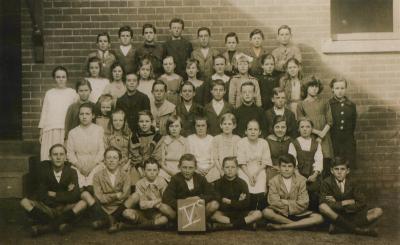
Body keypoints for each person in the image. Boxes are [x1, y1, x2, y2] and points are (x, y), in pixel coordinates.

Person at [20, 144, 87, 236]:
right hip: (48, 207)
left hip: (65, 207)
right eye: (55, 154)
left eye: (61, 154)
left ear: (65, 157)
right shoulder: (43, 171)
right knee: (24, 202)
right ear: (50, 157)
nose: (58, 157)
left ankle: (46, 227)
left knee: (83, 203)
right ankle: (60, 223)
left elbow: (75, 195)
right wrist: (64, 195)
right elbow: (42, 194)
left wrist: (55, 195)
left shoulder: (72, 172)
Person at [319, 157, 383, 236]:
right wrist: (344, 202)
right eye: (336, 169)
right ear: (332, 171)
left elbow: (362, 202)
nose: (339, 172)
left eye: (342, 169)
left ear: (347, 171)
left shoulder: (353, 182)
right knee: (323, 207)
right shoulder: (326, 182)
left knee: (378, 211)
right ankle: (357, 230)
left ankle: (340, 228)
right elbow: (324, 202)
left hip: (352, 214)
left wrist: (338, 204)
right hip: (336, 215)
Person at [262, 154, 324, 230]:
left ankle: (282, 226)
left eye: (290, 166)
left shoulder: (302, 180)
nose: (286, 169)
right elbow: (273, 201)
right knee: (266, 212)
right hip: (281, 213)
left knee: (319, 218)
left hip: (299, 213)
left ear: (294, 168)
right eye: (284, 166)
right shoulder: (273, 181)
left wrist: (287, 202)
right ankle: (299, 225)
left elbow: (304, 202)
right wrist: (292, 205)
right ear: (279, 167)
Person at [161, 154, 219, 221]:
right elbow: (166, 198)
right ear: (179, 167)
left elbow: (214, 194)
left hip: (199, 212)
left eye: (190, 168)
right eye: (184, 167)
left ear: (195, 168)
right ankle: (179, 223)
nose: (187, 171)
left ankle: (201, 222)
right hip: (180, 212)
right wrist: (184, 202)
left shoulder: (200, 179)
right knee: (163, 207)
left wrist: (199, 198)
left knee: (214, 204)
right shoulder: (175, 179)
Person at [212, 157, 262, 229]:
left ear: (237, 169)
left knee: (258, 213)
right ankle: (244, 225)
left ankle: (230, 225)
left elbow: (246, 203)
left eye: (233, 167)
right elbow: (219, 202)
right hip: (225, 213)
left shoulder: (242, 183)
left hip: (241, 213)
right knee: (213, 215)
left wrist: (229, 202)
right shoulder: (218, 183)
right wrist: (237, 202)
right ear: (222, 169)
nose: (230, 169)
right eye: (227, 167)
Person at [297, 77, 333, 178]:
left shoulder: (324, 102)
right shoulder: (301, 104)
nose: (314, 89)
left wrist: (321, 136)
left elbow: (330, 121)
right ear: (306, 88)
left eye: (316, 86)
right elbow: (301, 123)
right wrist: (317, 133)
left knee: (325, 162)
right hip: (310, 136)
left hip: (325, 137)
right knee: (312, 162)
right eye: (311, 86)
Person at [39, 66, 76, 161]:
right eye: (58, 77)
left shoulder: (72, 93)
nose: (61, 79)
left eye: (63, 77)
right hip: (50, 129)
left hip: (65, 129)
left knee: (64, 156)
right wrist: (41, 131)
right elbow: (44, 112)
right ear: (54, 78)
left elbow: (75, 113)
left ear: (67, 78)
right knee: (49, 155)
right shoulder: (49, 93)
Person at [91, 147, 131, 233]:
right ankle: (111, 221)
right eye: (108, 158)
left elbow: (126, 195)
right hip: (104, 208)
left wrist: (108, 197)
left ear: (119, 161)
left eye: (115, 158)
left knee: (135, 197)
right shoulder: (97, 176)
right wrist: (116, 195)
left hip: (120, 207)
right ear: (104, 160)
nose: (111, 160)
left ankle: (106, 221)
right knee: (91, 197)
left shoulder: (125, 175)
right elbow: (99, 197)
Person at [122, 158, 169, 228]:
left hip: (156, 213)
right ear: (144, 171)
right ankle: (149, 224)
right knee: (126, 213)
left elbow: (165, 200)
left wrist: (150, 203)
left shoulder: (162, 182)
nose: (152, 172)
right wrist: (157, 201)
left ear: (158, 171)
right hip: (143, 212)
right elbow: (142, 205)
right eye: (149, 170)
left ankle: (136, 226)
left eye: (154, 170)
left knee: (164, 219)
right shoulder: (139, 183)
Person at [67, 103, 105, 189]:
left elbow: (102, 151)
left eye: (87, 114)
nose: (84, 117)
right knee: (79, 188)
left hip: (95, 165)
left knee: (92, 187)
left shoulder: (99, 130)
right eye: (81, 114)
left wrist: (91, 166)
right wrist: (80, 167)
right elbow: (70, 153)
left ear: (93, 116)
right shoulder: (73, 132)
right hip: (78, 166)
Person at [237, 120, 273, 211]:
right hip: (245, 170)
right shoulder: (241, 142)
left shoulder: (264, 142)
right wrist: (249, 176)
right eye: (250, 129)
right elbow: (241, 162)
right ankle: (246, 211)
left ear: (260, 132)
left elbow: (265, 161)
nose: (253, 132)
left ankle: (257, 211)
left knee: (261, 180)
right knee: (245, 186)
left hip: (259, 169)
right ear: (246, 131)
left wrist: (256, 174)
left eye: (255, 129)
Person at [288, 117, 323, 211]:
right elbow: (292, 161)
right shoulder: (294, 143)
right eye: (302, 127)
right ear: (298, 129)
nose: (305, 129)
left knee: (314, 194)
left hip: (312, 175)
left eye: (308, 127)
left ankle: (314, 215)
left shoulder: (316, 144)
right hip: (297, 175)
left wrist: (315, 175)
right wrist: (299, 176)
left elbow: (319, 160)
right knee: (298, 193)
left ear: (312, 129)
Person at [329, 78, 357, 169]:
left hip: (348, 142)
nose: (340, 91)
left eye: (342, 88)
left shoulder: (351, 105)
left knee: (348, 165)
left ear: (346, 89)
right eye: (337, 88)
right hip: (333, 141)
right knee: (334, 165)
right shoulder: (329, 104)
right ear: (332, 89)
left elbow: (353, 124)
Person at [129, 110, 162, 187]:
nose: (144, 124)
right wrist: (141, 170)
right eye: (141, 121)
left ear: (151, 122)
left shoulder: (157, 136)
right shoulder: (134, 136)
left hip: (153, 165)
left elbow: (156, 155)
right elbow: (135, 155)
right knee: (134, 179)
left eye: (147, 121)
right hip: (138, 165)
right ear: (138, 123)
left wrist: (148, 169)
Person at [153, 115, 190, 182]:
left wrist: (180, 172)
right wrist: (170, 172)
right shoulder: (164, 140)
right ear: (168, 128)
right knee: (159, 179)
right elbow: (162, 162)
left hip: (181, 170)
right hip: (166, 170)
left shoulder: (185, 141)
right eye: (171, 126)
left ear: (181, 127)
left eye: (176, 126)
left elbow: (187, 160)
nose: (174, 129)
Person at [187, 117, 219, 183]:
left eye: (203, 125)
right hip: (195, 167)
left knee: (216, 173)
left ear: (207, 126)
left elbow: (214, 158)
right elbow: (189, 157)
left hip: (209, 168)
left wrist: (208, 169)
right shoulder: (190, 139)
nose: (200, 128)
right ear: (195, 127)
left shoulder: (212, 139)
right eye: (198, 126)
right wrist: (197, 168)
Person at [211, 113, 241, 177]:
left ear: (234, 126)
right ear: (221, 125)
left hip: (233, 167)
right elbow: (215, 158)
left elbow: (237, 157)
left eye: (229, 124)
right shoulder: (216, 139)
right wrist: (221, 171)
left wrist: (233, 170)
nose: (227, 126)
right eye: (224, 124)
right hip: (219, 167)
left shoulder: (237, 139)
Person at [265, 115, 292, 182]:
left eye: (283, 127)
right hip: (272, 169)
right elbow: (265, 159)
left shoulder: (290, 140)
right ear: (273, 128)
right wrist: (275, 167)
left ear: (287, 128)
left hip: (287, 170)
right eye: (277, 127)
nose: (280, 130)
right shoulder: (267, 140)